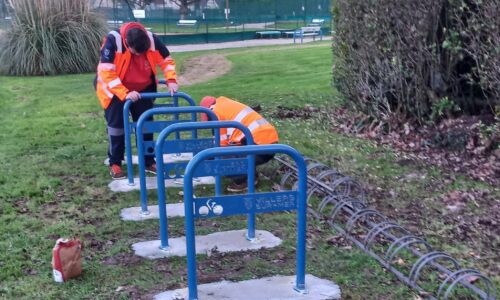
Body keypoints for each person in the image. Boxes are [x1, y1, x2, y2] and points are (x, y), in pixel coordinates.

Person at [95, 22, 178, 179]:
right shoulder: (113, 41)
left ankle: (148, 160)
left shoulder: (152, 39)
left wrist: (171, 80)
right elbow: (106, 73)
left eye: (143, 52)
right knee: (116, 127)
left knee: (146, 125)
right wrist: (124, 93)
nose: (139, 55)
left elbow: (166, 60)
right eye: (136, 52)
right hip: (115, 89)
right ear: (127, 43)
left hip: (143, 88)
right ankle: (115, 163)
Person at [199, 96, 279, 192]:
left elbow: (220, 146)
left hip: (258, 146)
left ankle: (245, 180)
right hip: (268, 142)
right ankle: (249, 173)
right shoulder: (223, 104)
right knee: (231, 151)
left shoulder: (215, 114)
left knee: (216, 158)